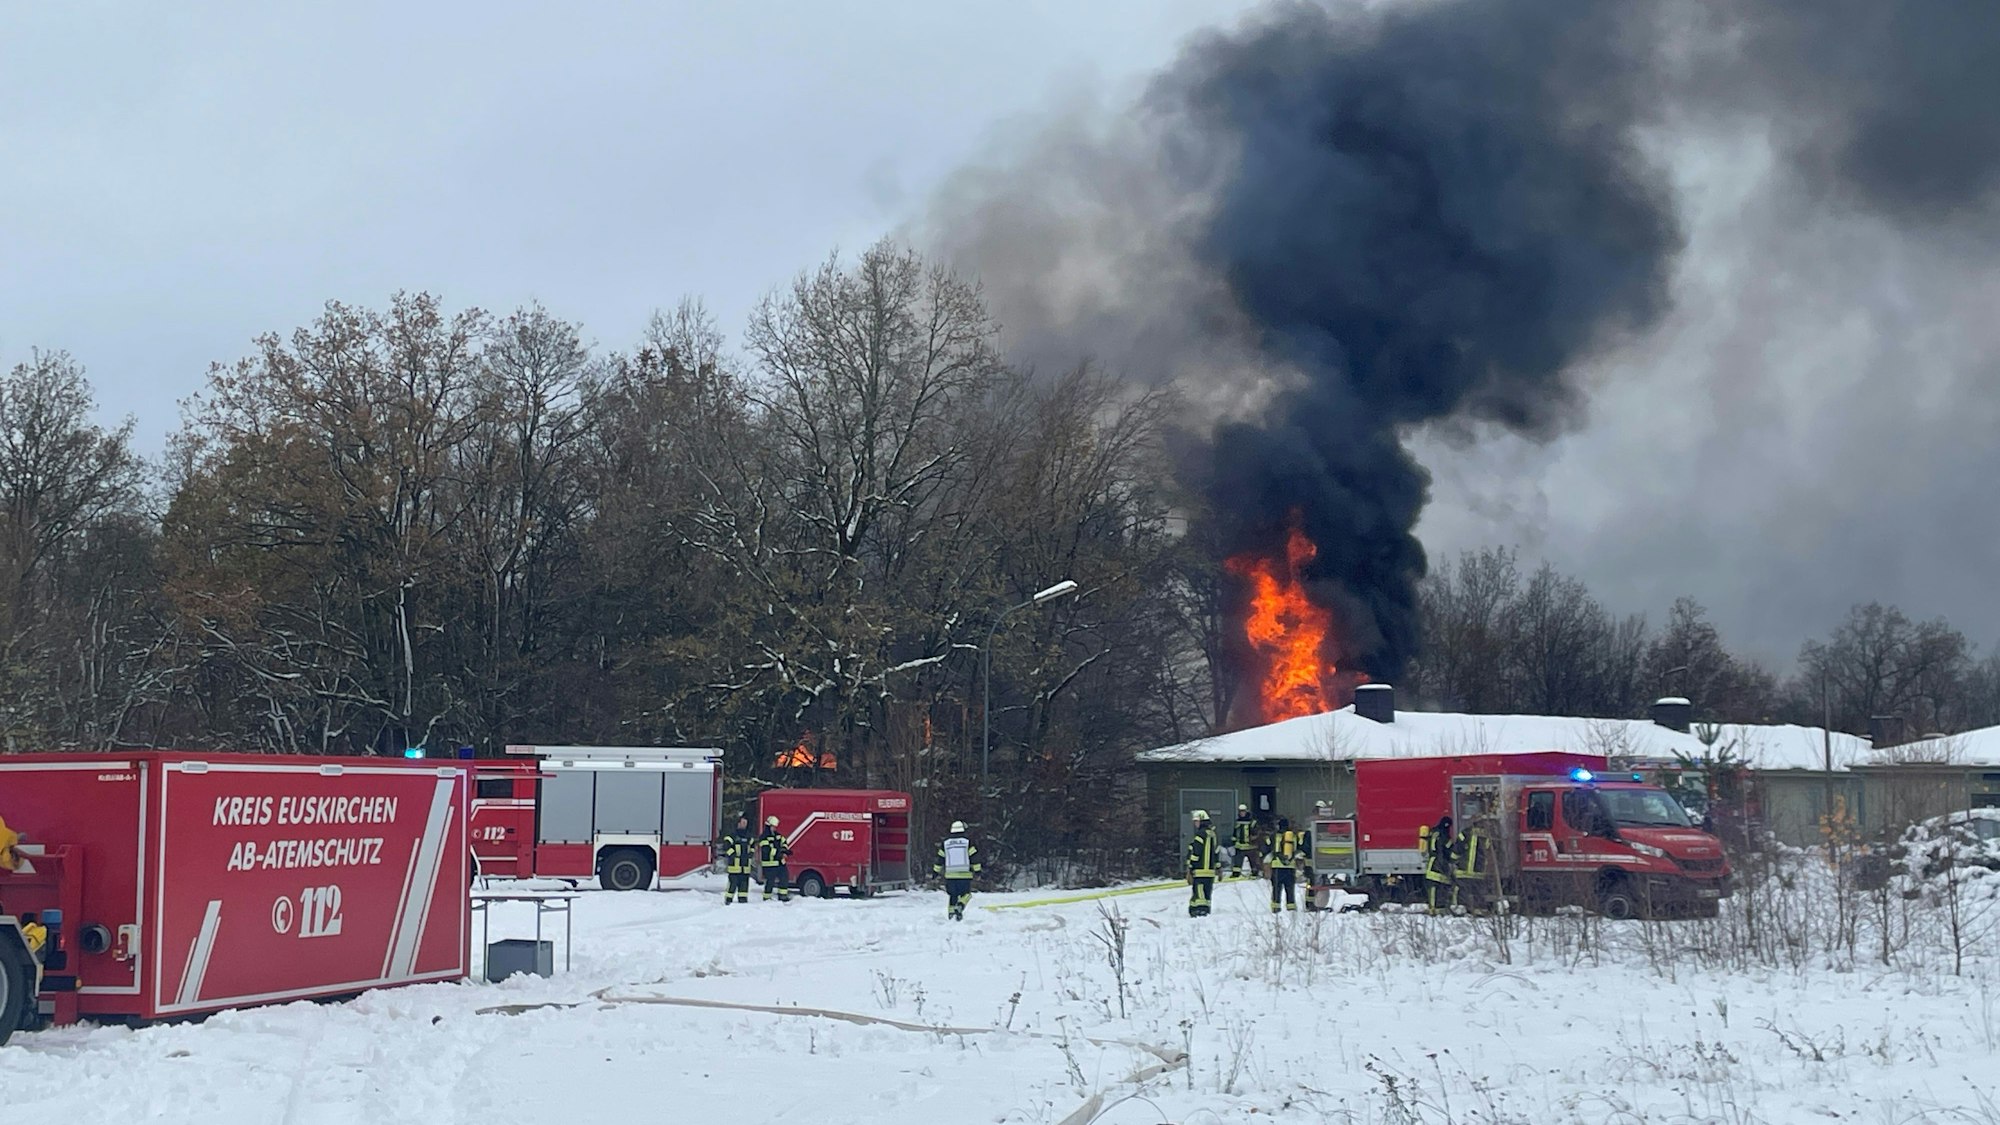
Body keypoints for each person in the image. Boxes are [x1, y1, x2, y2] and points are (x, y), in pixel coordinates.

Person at [933, 819, 983, 920]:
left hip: (950, 875)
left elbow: (940, 859)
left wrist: (935, 872)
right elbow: (974, 857)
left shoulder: (946, 843)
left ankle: (951, 914)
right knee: (967, 894)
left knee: (953, 896)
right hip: (965, 875)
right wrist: (977, 871)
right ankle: (960, 906)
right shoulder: (967, 842)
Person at [1187, 809, 1220, 917]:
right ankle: (1205, 909)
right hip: (1210, 870)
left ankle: (1200, 910)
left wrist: (1191, 865)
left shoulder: (1199, 835)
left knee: (1199, 890)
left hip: (1200, 869)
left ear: (1202, 821)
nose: (1195, 823)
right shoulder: (1212, 834)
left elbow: (1196, 852)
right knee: (1207, 891)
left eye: (1196, 821)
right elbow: (1216, 851)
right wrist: (1218, 867)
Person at [1420, 814, 1456, 912]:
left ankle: (1433, 906)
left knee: (1432, 886)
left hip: (1431, 862)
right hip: (1439, 863)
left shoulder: (1433, 832)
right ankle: (1436, 908)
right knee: (1440, 885)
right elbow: (1449, 848)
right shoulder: (1444, 834)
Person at [1267, 816, 1304, 912]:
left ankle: (1276, 908)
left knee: (1276, 888)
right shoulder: (1293, 836)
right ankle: (1291, 908)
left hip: (1277, 866)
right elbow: (1298, 849)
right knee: (1290, 888)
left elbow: (1268, 847)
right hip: (1290, 867)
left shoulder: (1274, 835)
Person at [1454, 819, 1490, 912]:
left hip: (1464, 869)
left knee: (1462, 890)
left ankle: (1461, 908)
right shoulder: (1487, 835)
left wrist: (1453, 860)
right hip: (1479, 870)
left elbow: (1457, 848)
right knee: (1478, 891)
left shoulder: (1465, 832)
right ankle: (1480, 910)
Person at [719, 814, 755, 904]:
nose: (745, 825)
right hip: (734, 866)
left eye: (746, 823)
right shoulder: (732, 835)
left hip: (745, 867)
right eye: (743, 823)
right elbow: (726, 846)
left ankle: (743, 900)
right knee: (732, 885)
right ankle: (728, 900)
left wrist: (751, 853)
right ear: (738, 823)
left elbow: (753, 846)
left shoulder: (748, 836)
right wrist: (733, 855)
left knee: (744, 886)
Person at [756, 814, 793, 902]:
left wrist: (785, 850)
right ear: (769, 826)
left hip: (780, 863)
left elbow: (784, 842)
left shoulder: (777, 835)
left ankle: (783, 896)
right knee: (770, 882)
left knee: (784, 877)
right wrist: (779, 853)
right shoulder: (763, 837)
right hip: (769, 864)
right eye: (773, 827)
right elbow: (767, 850)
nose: (775, 828)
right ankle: (767, 898)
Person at [1230, 804, 1260, 879]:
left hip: (1250, 847)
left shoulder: (1252, 822)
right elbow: (1235, 833)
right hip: (1240, 847)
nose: (1241, 813)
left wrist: (1253, 836)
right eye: (1240, 811)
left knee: (1253, 862)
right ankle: (1236, 874)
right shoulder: (1238, 822)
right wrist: (1233, 841)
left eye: (1243, 811)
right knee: (1237, 862)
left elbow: (1256, 833)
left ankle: (1255, 873)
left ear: (1246, 811)